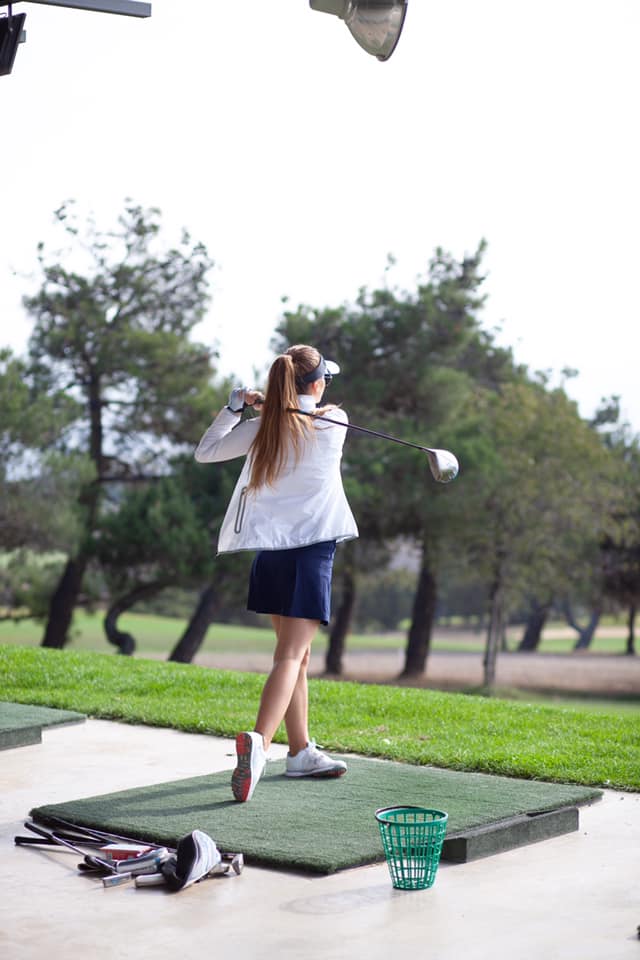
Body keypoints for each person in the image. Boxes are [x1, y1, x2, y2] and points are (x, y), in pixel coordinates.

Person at [194, 344, 358, 802]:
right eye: (325, 378)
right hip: (310, 554)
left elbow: (206, 451)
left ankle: (301, 751)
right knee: (290, 656)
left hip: (270, 555)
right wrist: (272, 406)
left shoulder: (261, 428)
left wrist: (236, 407)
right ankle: (261, 746)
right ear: (317, 383)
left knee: (296, 658)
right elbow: (310, 413)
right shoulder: (335, 422)